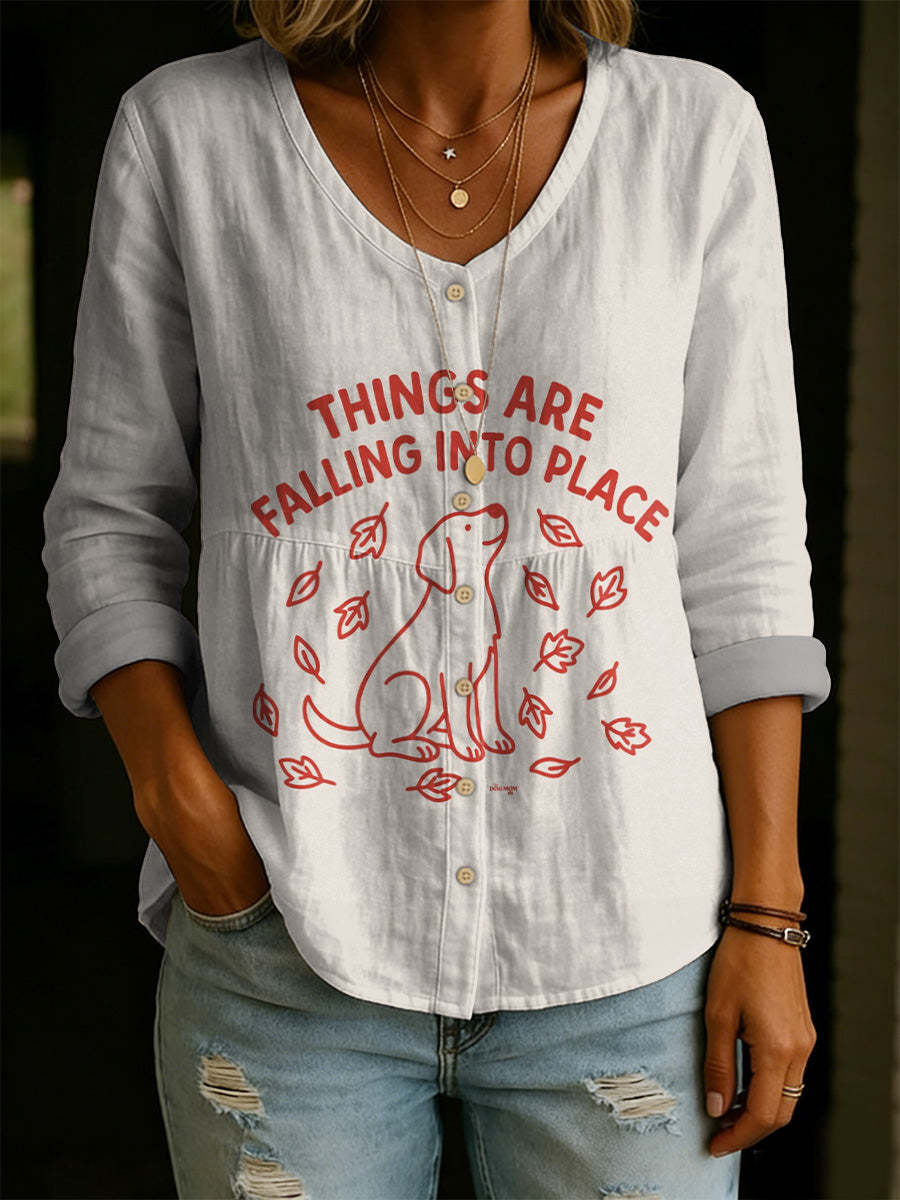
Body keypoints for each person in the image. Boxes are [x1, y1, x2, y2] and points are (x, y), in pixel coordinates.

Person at [41, 0, 831, 1196]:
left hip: (630, 947)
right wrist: (179, 803)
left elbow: (745, 544)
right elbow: (109, 511)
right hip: (288, 937)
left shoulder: (696, 133)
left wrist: (770, 915)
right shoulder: (189, 135)